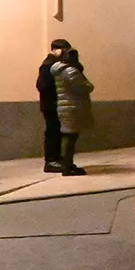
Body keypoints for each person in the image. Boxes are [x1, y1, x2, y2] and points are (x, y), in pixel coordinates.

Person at [50, 45, 94, 176]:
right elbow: (85, 87)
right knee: (71, 138)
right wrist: (87, 83)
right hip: (72, 107)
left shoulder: (57, 70)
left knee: (68, 137)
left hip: (64, 106)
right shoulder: (71, 71)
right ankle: (68, 166)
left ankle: (67, 164)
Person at [36, 38, 70, 173]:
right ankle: (51, 161)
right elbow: (42, 85)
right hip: (51, 104)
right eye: (63, 50)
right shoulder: (48, 65)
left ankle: (56, 158)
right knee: (52, 132)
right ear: (55, 50)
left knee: (56, 132)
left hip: (54, 103)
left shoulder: (55, 64)